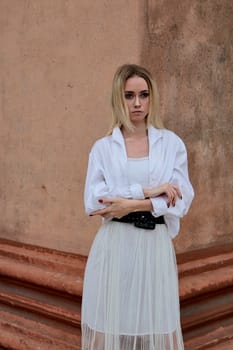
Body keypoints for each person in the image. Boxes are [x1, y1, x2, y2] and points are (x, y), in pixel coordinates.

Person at [81, 64, 194, 350]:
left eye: (144, 95)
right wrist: (149, 191)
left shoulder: (171, 144)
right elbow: (95, 202)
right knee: (109, 327)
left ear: (152, 97)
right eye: (129, 95)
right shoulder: (103, 148)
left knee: (157, 327)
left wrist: (131, 203)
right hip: (114, 248)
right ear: (118, 99)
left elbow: (180, 201)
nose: (137, 103)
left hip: (154, 247)